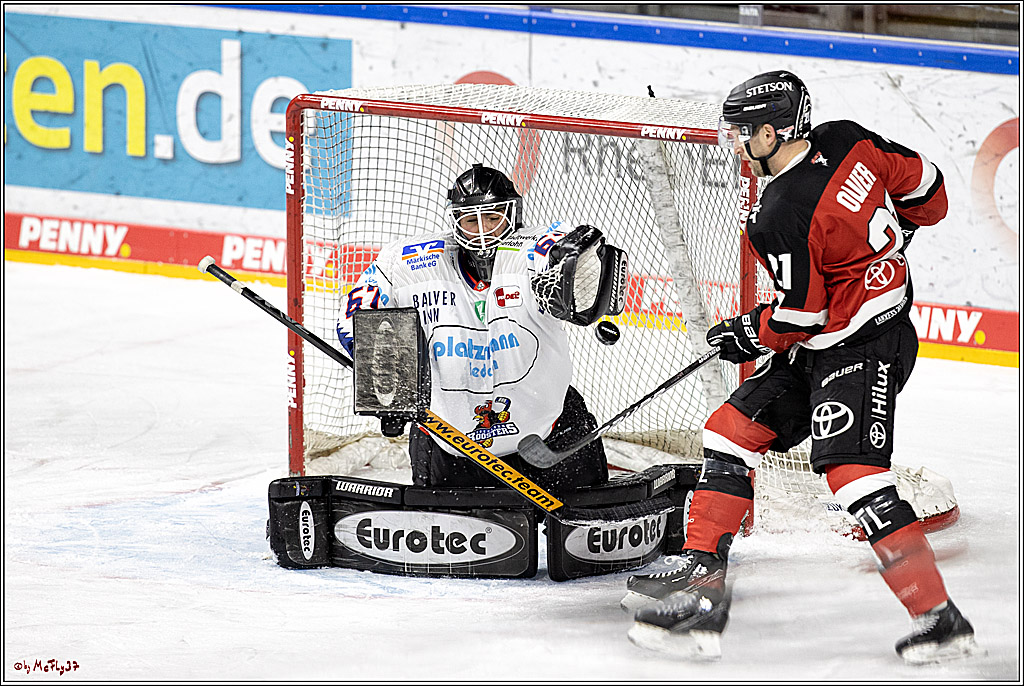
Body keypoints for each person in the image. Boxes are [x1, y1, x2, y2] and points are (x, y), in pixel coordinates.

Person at [623, 71, 980, 664]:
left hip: (862, 349)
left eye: (742, 134)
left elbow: (800, 317)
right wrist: (880, 251)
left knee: (856, 480)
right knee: (727, 432)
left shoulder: (781, 211)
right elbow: (932, 194)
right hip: (847, 335)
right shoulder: (847, 139)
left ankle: (940, 620)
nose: (734, 144)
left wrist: (746, 333)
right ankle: (702, 597)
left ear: (771, 132)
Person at [337, 163, 625, 492]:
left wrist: (579, 265)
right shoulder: (407, 265)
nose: (484, 230)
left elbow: (570, 250)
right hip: (450, 446)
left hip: (551, 433)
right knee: (448, 539)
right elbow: (354, 318)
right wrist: (388, 391)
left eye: (493, 217)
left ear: (512, 214)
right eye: (472, 220)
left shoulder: (530, 252)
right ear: (456, 221)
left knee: (584, 534)